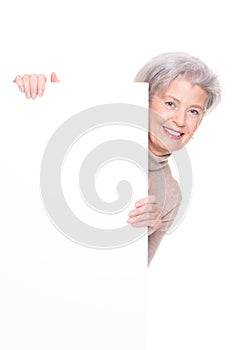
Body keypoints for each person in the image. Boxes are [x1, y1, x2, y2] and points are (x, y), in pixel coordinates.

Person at [14, 52, 221, 265]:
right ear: (145, 101)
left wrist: (140, 236)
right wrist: (34, 98)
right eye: (170, 104)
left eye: (194, 111)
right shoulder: (95, 132)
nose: (180, 120)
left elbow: (125, 283)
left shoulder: (171, 194)